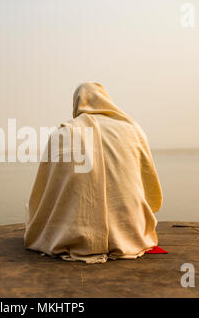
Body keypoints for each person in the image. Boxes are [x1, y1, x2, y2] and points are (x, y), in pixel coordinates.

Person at [24, 82, 163, 263]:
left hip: (71, 237)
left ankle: (83, 235)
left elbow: (45, 194)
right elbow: (149, 186)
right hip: (131, 234)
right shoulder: (132, 129)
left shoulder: (63, 132)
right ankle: (122, 229)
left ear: (76, 103)